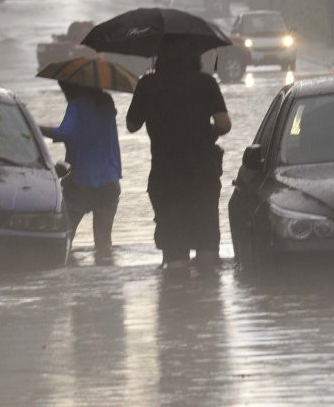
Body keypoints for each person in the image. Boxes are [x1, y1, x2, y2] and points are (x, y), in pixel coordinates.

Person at [126, 37, 232, 269]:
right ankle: (206, 297)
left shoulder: (148, 84)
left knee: (175, 252)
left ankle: (176, 298)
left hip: (166, 176)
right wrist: (206, 130)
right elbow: (224, 124)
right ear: (194, 56)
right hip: (202, 174)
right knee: (207, 248)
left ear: (161, 56)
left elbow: (131, 125)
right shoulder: (206, 83)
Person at [40, 82, 122, 263]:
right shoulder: (107, 103)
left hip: (81, 182)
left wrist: (34, 127)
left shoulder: (76, 106)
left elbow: (63, 133)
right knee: (103, 244)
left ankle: (71, 281)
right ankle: (106, 288)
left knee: (66, 239)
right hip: (109, 180)